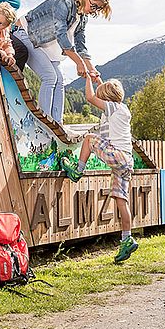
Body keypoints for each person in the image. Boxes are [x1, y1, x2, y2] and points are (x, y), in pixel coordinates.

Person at [61, 77, 138, 263]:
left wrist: (87, 78)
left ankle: (77, 170)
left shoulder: (112, 108)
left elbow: (90, 97)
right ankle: (127, 239)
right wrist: (98, 81)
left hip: (118, 155)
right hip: (127, 161)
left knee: (89, 139)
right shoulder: (121, 109)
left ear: (107, 99)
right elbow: (105, 93)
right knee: (121, 199)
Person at [12, 0, 110, 123]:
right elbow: (61, 34)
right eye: (93, 6)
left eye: (97, 9)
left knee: (60, 81)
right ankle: (45, 123)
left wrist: (93, 71)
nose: (93, 11)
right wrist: (78, 62)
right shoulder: (62, 4)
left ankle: (57, 123)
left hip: (44, 46)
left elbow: (80, 45)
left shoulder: (82, 18)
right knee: (50, 77)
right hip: (26, 35)